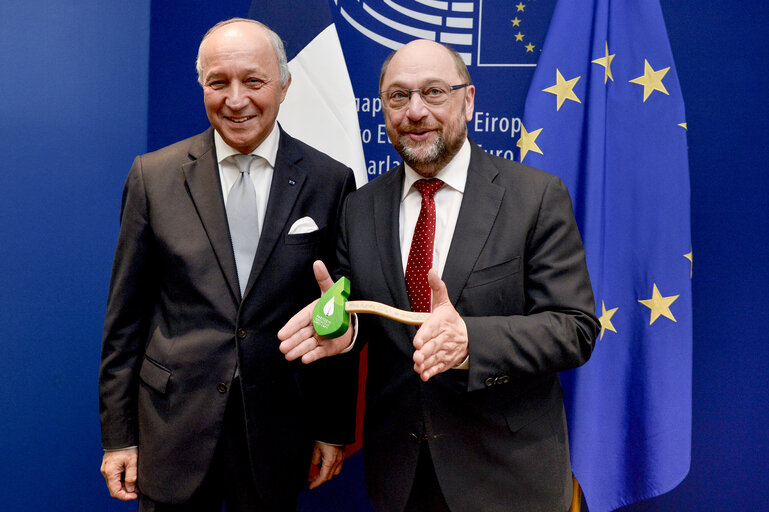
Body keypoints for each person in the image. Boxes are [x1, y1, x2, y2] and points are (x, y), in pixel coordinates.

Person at [278, 40, 600, 512]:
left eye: (433, 92)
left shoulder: (535, 197)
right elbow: (362, 314)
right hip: (401, 478)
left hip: (509, 478)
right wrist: (343, 333)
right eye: (398, 97)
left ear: (467, 101)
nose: (415, 111)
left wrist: (470, 341)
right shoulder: (360, 207)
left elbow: (575, 328)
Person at [98, 18, 358, 512]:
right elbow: (124, 322)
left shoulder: (330, 181)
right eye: (219, 82)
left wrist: (332, 428)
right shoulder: (153, 177)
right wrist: (119, 438)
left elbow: (335, 314)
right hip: (171, 430)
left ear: (283, 86)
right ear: (202, 86)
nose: (236, 100)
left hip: (278, 434)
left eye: (254, 81)